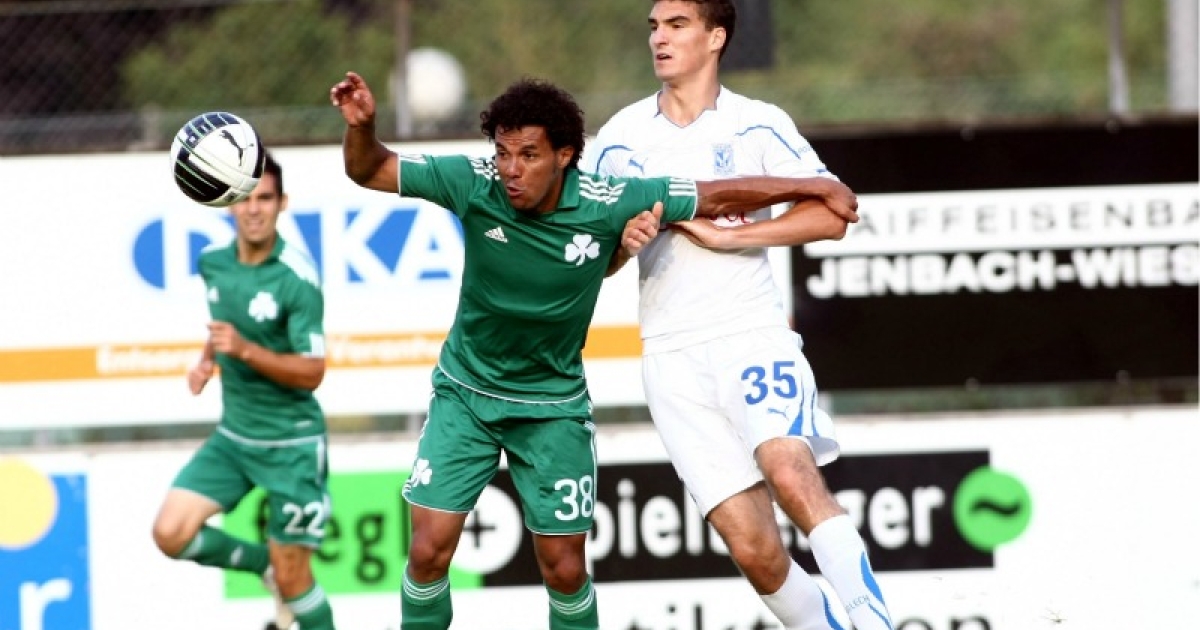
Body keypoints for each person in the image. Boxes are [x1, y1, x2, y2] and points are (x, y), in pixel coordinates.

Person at [329, 70, 857, 630]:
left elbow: (714, 193)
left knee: (564, 568)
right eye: (503, 153)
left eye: (528, 155)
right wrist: (362, 127)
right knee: (428, 550)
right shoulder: (473, 183)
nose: (510, 169)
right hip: (466, 396)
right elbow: (370, 169)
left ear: (565, 155)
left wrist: (811, 187)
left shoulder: (610, 201)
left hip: (552, 409)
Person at [581, 2, 895, 630]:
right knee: (755, 551)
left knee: (789, 470)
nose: (660, 38)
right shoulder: (619, 138)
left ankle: (874, 621)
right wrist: (622, 245)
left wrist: (733, 237)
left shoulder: (758, 123)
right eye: (654, 26)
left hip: (750, 335)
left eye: (677, 25)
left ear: (715, 37)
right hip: (670, 355)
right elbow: (590, 252)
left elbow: (833, 213)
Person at [151, 152, 338, 630]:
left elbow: (312, 371)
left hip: (292, 445)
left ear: (282, 204)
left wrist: (246, 351)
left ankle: (282, 578)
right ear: (229, 203)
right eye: (246, 198)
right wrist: (206, 361)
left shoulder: (297, 278)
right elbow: (224, 323)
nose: (255, 209)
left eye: (266, 198)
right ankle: (262, 566)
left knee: (296, 580)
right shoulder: (213, 262)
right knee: (170, 532)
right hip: (234, 438)